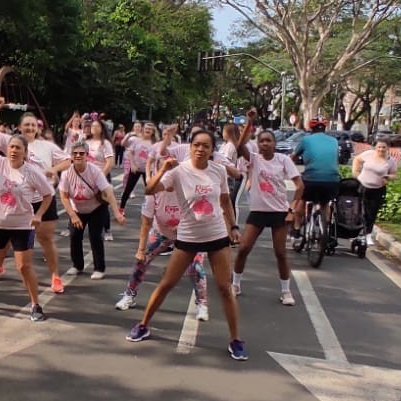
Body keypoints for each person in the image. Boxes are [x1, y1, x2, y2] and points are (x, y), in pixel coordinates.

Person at [128, 130, 248, 361]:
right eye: (196, 145)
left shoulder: (219, 170)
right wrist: (164, 168)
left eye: (206, 146)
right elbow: (150, 189)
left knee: (225, 288)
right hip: (188, 237)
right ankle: (143, 325)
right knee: (166, 283)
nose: (200, 149)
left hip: (216, 235)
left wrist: (233, 226)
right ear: (190, 147)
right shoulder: (179, 172)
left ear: (213, 150)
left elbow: (224, 201)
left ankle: (235, 340)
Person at [0, 123, 53, 322]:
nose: (13, 151)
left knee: (24, 267)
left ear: (25, 152)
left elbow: (48, 195)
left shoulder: (32, 172)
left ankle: (36, 305)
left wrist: (38, 215)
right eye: (11, 147)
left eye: (18, 148)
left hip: (22, 225)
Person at [0, 94, 69, 293]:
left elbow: (68, 160)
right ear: (20, 127)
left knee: (45, 238)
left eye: (33, 125)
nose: (30, 128)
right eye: (27, 125)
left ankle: (55, 276)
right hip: (17, 198)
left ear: (38, 128)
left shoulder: (47, 147)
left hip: (42, 198)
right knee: (6, 238)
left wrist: (54, 169)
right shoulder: (11, 141)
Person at [112, 157, 210, 322]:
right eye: (165, 172)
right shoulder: (154, 191)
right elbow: (146, 222)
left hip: (189, 235)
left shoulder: (190, 189)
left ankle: (202, 304)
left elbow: (203, 214)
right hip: (161, 232)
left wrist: (183, 226)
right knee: (141, 260)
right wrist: (141, 249)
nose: (169, 177)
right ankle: (129, 295)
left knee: (196, 267)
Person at [231, 130, 302, 306]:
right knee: (243, 248)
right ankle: (235, 284)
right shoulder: (254, 159)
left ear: (274, 143)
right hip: (258, 212)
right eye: (261, 140)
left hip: (279, 212)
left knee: (280, 253)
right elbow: (239, 146)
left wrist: (292, 209)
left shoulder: (283, 160)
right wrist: (248, 124)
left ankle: (285, 291)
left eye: (268, 140)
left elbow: (300, 185)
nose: (264, 144)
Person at [60, 142, 124, 278]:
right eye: (75, 153)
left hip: (96, 208)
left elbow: (108, 192)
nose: (78, 156)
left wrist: (117, 213)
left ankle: (99, 268)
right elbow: (64, 197)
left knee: (95, 236)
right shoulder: (66, 174)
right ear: (71, 156)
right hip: (77, 209)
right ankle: (77, 265)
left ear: (87, 156)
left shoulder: (95, 171)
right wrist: (73, 215)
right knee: (74, 236)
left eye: (81, 153)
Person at [292, 119, 341, 245]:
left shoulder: (306, 140)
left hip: (311, 178)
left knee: (301, 199)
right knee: (325, 203)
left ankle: (296, 230)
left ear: (311, 129)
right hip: (332, 179)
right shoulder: (334, 141)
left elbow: (293, 158)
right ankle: (325, 229)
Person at [351, 139, 398, 245]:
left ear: (387, 149)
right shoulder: (368, 154)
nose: (381, 149)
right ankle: (356, 233)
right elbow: (357, 159)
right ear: (375, 148)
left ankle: (368, 234)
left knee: (371, 213)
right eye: (379, 147)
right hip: (362, 186)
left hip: (378, 189)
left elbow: (394, 174)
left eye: (383, 147)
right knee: (359, 210)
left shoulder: (390, 161)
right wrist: (355, 172)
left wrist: (388, 177)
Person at [120, 122, 154, 209]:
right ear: (143, 129)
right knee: (128, 189)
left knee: (150, 190)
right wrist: (133, 165)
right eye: (146, 128)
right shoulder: (136, 140)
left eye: (150, 129)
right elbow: (130, 152)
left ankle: (152, 210)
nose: (147, 130)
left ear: (153, 131)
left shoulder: (154, 143)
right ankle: (121, 208)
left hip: (148, 170)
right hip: (136, 168)